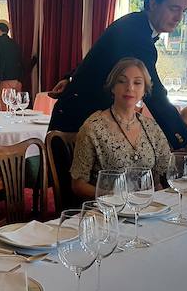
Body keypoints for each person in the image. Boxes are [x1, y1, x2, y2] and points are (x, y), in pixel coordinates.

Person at [49, 0, 187, 152]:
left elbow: (98, 56)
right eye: (174, 8)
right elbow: (155, 94)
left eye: (184, 11)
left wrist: (70, 77)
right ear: (153, 3)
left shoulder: (135, 25)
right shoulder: (135, 34)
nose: (179, 18)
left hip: (90, 119)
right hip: (76, 124)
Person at [70, 58, 172, 198]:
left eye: (137, 83)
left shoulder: (151, 127)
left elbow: (165, 171)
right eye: (122, 81)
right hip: (109, 211)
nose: (129, 88)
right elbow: (78, 185)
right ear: (112, 87)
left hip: (147, 208)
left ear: (144, 90)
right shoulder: (93, 128)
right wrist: (115, 198)